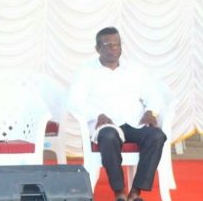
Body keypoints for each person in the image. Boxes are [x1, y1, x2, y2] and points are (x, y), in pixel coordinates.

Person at [68, 27, 167, 201]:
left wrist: (150, 111)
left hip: (135, 122)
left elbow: (154, 94)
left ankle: (135, 192)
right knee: (108, 137)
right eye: (108, 45)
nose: (114, 48)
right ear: (98, 48)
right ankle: (119, 192)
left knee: (157, 136)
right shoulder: (85, 72)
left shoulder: (134, 69)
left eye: (117, 44)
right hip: (107, 124)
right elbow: (74, 101)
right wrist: (97, 114)